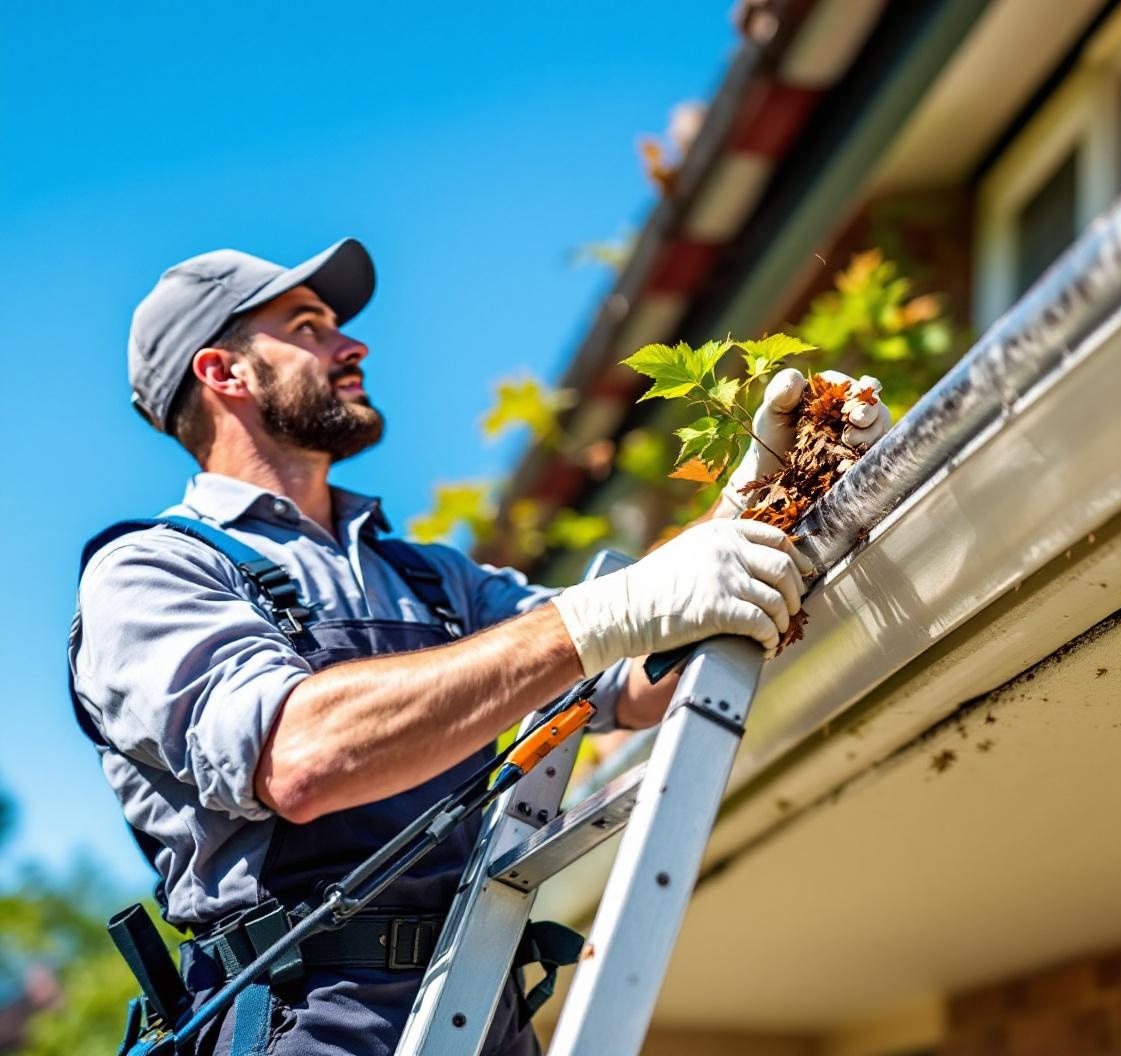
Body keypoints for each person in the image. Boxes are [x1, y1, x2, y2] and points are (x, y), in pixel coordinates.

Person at [68, 238, 890, 1055]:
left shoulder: (428, 576)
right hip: (304, 1020)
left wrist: (765, 495)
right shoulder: (150, 571)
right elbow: (299, 757)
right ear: (224, 373)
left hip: (477, 1001)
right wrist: (609, 611)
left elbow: (636, 681)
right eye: (308, 326)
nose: (353, 346)